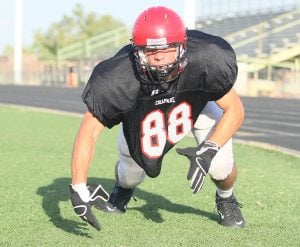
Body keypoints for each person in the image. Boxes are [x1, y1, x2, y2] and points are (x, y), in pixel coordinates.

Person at [69, 6, 245, 231]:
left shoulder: (207, 57)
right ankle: (123, 189)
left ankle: (226, 198)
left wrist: (210, 149)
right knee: (130, 173)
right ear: (136, 50)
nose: (159, 56)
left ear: (183, 46)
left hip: (197, 103)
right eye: (150, 50)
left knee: (220, 167)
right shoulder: (118, 76)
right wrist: (78, 186)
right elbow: (89, 129)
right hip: (144, 112)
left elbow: (235, 109)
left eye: (167, 48)